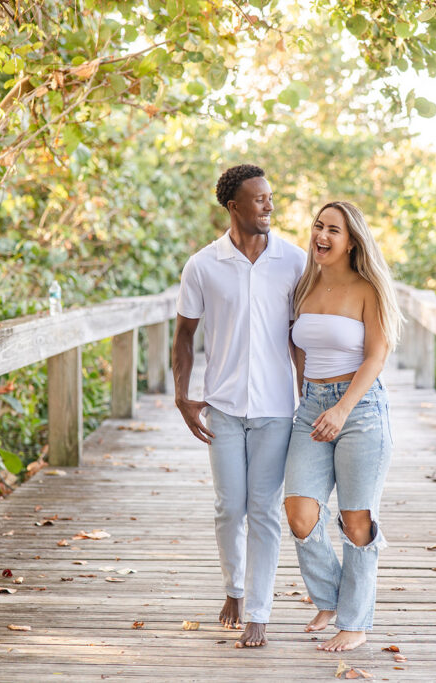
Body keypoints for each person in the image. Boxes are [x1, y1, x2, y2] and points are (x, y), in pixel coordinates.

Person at [172, 164, 306, 648]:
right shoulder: (202, 265)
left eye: (271, 197)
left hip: (275, 409)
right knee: (230, 508)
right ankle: (233, 589)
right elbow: (184, 335)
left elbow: (299, 338)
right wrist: (181, 396)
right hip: (224, 406)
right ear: (234, 207)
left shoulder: (294, 261)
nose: (269, 205)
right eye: (259, 199)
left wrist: (306, 397)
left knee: (265, 510)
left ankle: (260, 611)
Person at [283, 200, 401, 652]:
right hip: (311, 406)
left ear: (352, 241)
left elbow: (376, 355)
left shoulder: (368, 289)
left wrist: (342, 409)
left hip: (362, 409)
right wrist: (305, 397)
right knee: (299, 512)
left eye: (334, 229)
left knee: (357, 519)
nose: (323, 235)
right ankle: (331, 599)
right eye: (318, 226)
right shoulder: (303, 287)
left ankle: (354, 621)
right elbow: (297, 345)